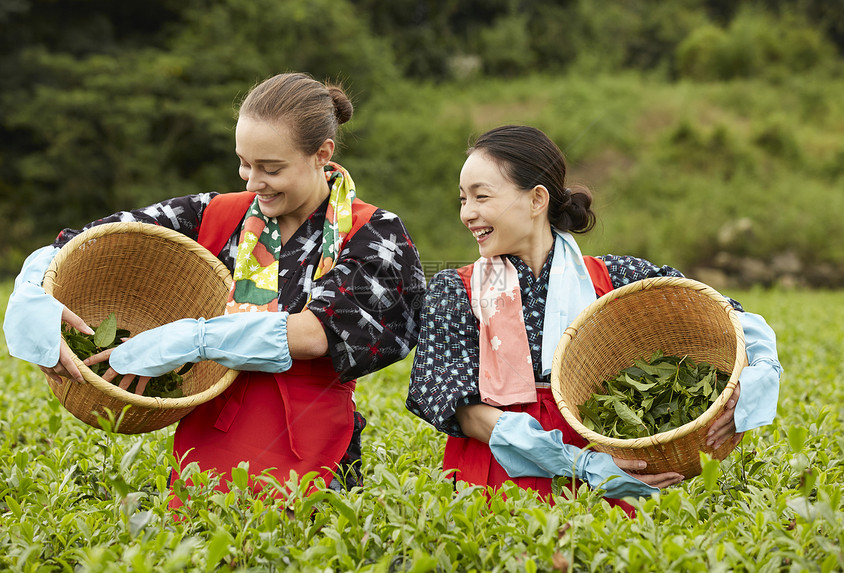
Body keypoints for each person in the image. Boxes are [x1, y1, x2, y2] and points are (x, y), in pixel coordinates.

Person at [4, 72, 426, 502]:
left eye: (271, 168)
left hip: (313, 444)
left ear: (322, 154)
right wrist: (32, 294)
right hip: (208, 440)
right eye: (244, 162)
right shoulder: (218, 215)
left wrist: (195, 338)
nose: (252, 181)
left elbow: (317, 333)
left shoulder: (375, 233)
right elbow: (90, 240)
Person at [406, 125, 781, 515]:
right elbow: (462, 408)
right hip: (500, 471)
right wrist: (581, 464)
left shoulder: (616, 278)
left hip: (615, 469)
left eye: (482, 197)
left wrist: (755, 382)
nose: (467, 213)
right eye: (463, 199)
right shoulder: (454, 290)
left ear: (536, 199)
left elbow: (728, 316)